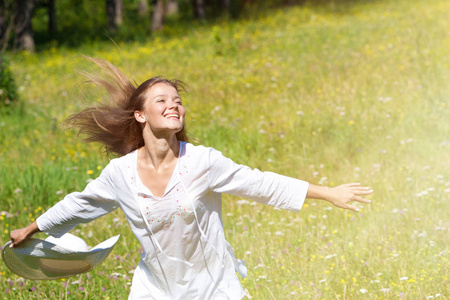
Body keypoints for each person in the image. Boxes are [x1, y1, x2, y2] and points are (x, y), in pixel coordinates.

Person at [9, 57, 373, 299]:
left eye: (178, 100)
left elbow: (261, 184)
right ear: (139, 115)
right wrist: (31, 228)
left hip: (213, 287)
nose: (174, 105)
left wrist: (328, 193)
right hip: (155, 289)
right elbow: (80, 204)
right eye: (162, 100)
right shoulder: (119, 173)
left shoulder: (202, 162)